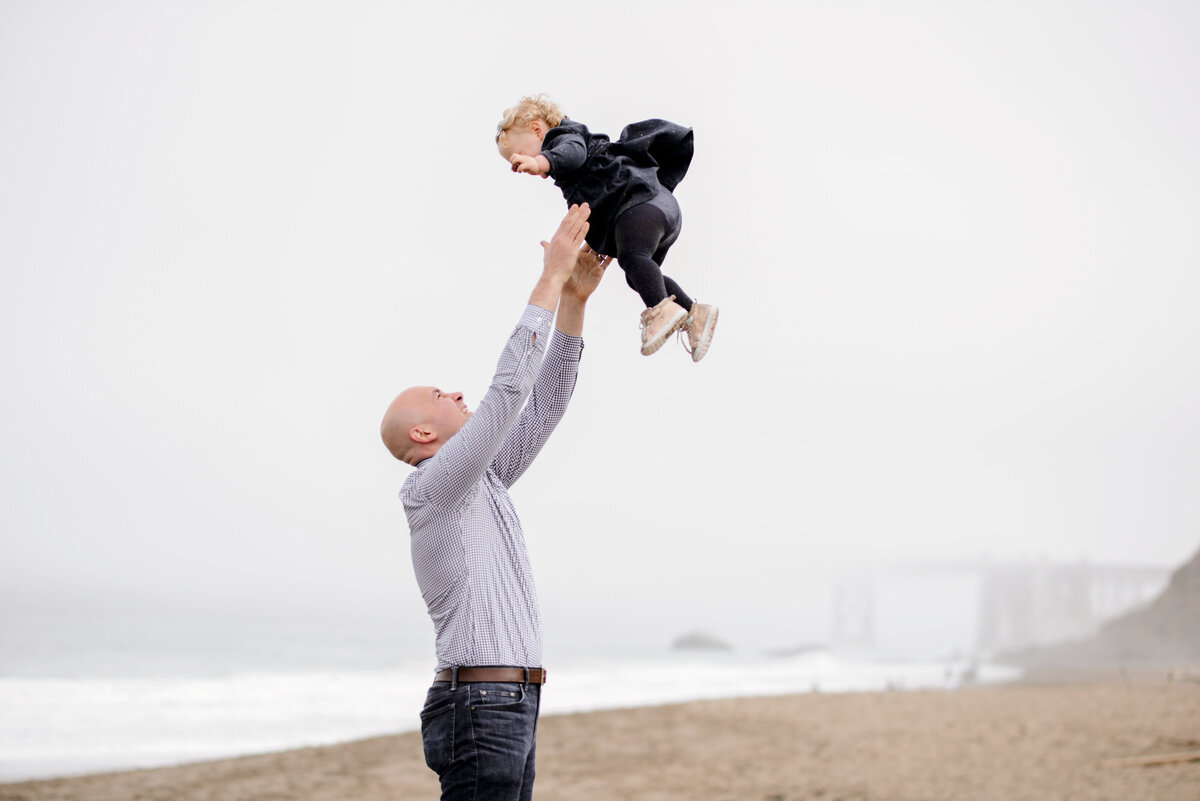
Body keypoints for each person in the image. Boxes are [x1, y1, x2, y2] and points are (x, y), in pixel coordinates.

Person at [380, 203, 609, 801]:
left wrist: (576, 302)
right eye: (439, 394)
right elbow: (508, 391)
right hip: (479, 703)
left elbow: (544, 405)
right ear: (423, 435)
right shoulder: (431, 490)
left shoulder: (482, 480)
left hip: (512, 701)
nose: (456, 392)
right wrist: (550, 278)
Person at [496, 94, 719, 362]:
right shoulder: (571, 165)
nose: (520, 164)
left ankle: (661, 310)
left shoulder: (563, 137)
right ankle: (695, 314)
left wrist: (542, 161)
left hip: (642, 201)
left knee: (633, 259)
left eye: (520, 155)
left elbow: (573, 153)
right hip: (657, 209)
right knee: (639, 271)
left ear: (536, 129)